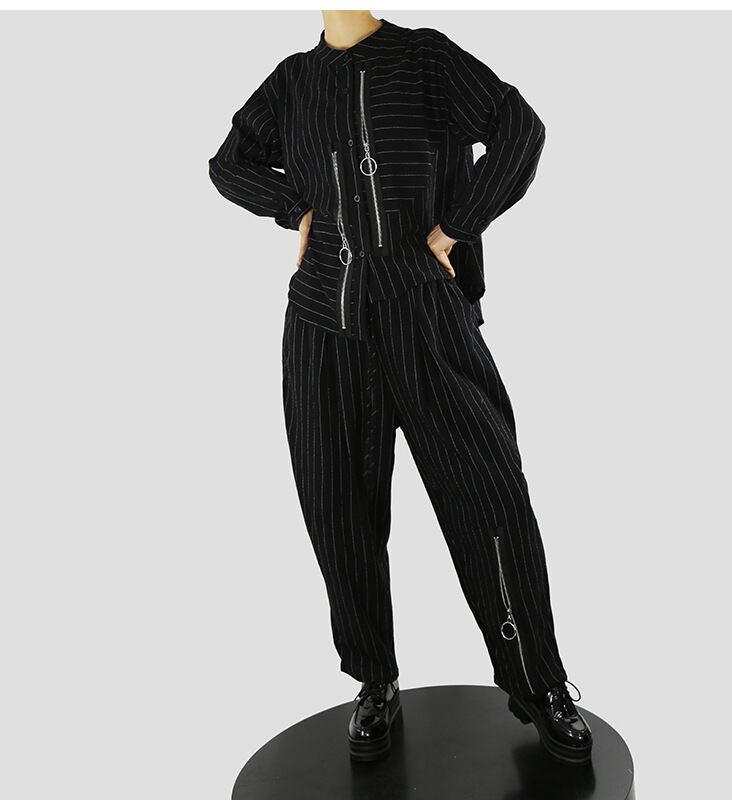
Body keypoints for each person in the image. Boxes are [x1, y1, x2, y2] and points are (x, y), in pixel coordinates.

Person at [208, 11, 593, 766]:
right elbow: (228, 165)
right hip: (323, 322)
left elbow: (520, 130)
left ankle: (539, 681)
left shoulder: (426, 59)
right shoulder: (292, 81)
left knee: (488, 492)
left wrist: (456, 227)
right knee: (338, 506)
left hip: (424, 307)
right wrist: (297, 208)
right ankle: (374, 680)